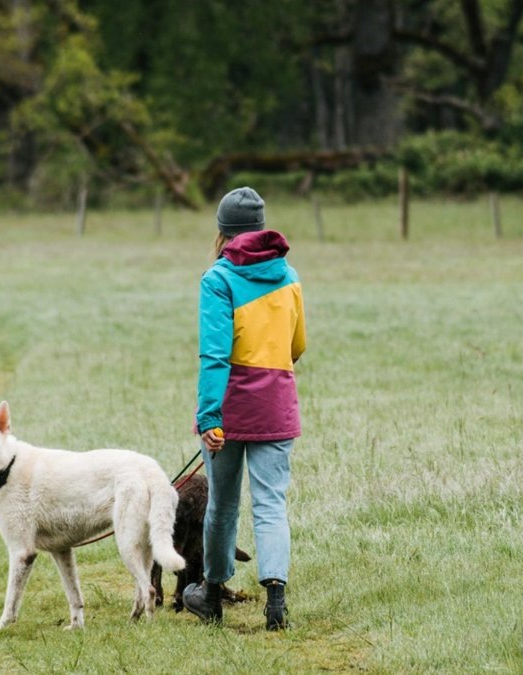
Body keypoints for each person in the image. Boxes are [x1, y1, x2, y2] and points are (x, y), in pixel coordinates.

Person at [182, 186, 306, 631]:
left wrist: (210, 415)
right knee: (271, 505)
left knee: (223, 505)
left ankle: (211, 595)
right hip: (276, 406)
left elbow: (215, 355)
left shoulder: (217, 279)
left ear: (223, 232)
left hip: (231, 410)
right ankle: (276, 605)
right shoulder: (289, 275)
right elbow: (297, 345)